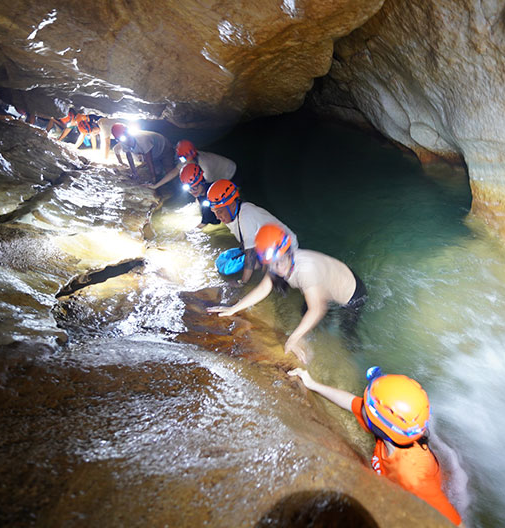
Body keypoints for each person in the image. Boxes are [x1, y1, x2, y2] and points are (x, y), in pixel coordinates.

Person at [288, 366, 463, 528]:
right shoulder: (393, 434)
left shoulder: (412, 476)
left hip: (415, 499)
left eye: (368, 401)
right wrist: (312, 384)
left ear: (379, 424)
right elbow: (350, 402)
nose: (363, 402)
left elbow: (456, 527)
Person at [208, 223, 366, 363]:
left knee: (346, 333)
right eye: (273, 265)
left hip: (351, 293)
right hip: (325, 285)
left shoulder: (306, 268)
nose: (278, 269)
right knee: (307, 315)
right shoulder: (276, 263)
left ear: (289, 251)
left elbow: (317, 309)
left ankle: (355, 356)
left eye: (281, 261)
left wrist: (293, 338)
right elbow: (263, 289)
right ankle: (311, 341)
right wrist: (233, 309)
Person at [204, 180, 297, 284]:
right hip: (266, 246)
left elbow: (250, 253)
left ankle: (262, 271)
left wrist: (242, 282)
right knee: (229, 262)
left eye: (219, 211)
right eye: (215, 212)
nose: (217, 216)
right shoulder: (231, 215)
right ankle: (260, 267)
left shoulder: (246, 215)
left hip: (285, 248)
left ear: (232, 205)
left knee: (238, 268)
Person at [147, 139, 237, 190]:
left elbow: (208, 187)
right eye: (182, 159)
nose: (185, 162)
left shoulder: (205, 168)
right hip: (218, 167)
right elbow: (173, 172)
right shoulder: (187, 159)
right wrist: (156, 186)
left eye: (185, 158)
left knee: (234, 191)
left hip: (231, 171)